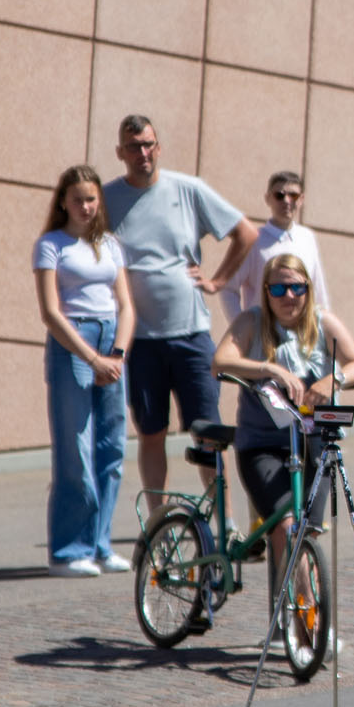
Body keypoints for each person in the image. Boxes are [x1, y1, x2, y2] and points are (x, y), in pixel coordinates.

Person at [103, 114, 258, 503]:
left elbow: (246, 233)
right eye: (134, 147)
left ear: (159, 147)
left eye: (149, 144)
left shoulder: (187, 189)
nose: (143, 153)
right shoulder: (105, 199)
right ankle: (157, 523)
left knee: (207, 431)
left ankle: (223, 521)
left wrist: (218, 281)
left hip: (190, 335)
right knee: (151, 433)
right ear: (120, 152)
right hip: (141, 340)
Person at [212, 252, 354, 581]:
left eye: (297, 288)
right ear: (266, 291)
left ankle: (304, 621)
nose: (289, 297)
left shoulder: (322, 322)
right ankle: (299, 623)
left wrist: (333, 379)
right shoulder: (252, 322)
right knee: (285, 528)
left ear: (308, 290)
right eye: (279, 289)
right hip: (262, 445)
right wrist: (268, 368)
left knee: (308, 530)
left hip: (313, 441)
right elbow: (221, 361)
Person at [34, 164, 136, 576]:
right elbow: (50, 313)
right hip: (72, 342)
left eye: (91, 198)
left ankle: (100, 544)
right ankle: (67, 551)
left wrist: (118, 354)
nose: (86, 206)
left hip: (112, 342)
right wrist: (92, 359)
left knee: (111, 449)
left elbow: (126, 304)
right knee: (75, 450)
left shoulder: (110, 245)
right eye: (77, 199)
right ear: (63, 202)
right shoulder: (51, 244)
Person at [219, 169, 330, 323]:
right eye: (279, 195)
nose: (287, 201)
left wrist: (321, 334)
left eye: (293, 195)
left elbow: (318, 293)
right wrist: (242, 331)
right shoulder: (253, 240)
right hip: (263, 337)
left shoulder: (307, 238)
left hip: (301, 338)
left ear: (302, 199)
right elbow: (228, 288)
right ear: (268, 199)